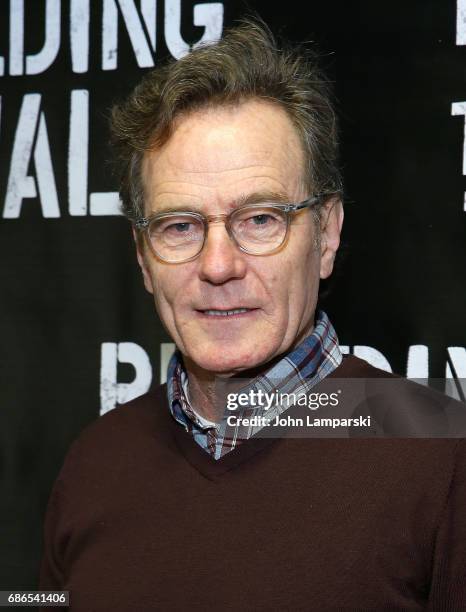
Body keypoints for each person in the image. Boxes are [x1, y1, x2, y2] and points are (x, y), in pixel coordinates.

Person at [39, 19, 466, 611]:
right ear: (142, 257)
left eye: (260, 219)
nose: (218, 265)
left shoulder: (443, 460)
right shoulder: (94, 464)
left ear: (327, 234)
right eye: (180, 225)